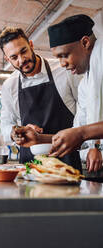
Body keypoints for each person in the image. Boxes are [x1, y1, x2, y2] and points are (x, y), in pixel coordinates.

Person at [0, 27, 82, 171]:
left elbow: (86, 110)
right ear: (7, 59)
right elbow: (6, 124)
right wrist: (15, 133)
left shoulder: (63, 70)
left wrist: (95, 147)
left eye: (23, 51)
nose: (21, 59)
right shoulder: (9, 86)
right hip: (30, 166)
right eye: (14, 57)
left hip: (66, 164)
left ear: (31, 45)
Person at [47, 14, 103, 172]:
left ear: (85, 42)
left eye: (64, 55)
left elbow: (81, 132)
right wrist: (38, 139)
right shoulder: (85, 84)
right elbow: (78, 129)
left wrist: (84, 135)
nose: (62, 64)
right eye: (58, 58)